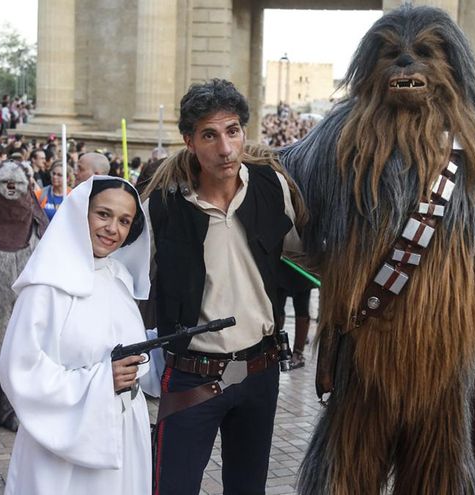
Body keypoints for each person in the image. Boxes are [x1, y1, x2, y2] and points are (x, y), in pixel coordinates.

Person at [145, 79, 302, 494]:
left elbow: (304, 253)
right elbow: (128, 285)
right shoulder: (162, 207)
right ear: (189, 141)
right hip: (191, 378)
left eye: (232, 131)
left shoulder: (271, 187)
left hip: (261, 372)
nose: (226, 148)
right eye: (210, 135)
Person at [0, 176, 153, 494]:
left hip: (124, 430)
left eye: (124, 221)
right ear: (81, 213)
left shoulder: (119, 277)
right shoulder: (46, 286)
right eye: (103, 214)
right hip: (62, 442)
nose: (112, 228)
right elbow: (20, 371)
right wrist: (103, 380)